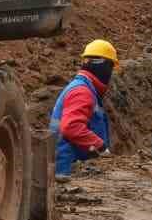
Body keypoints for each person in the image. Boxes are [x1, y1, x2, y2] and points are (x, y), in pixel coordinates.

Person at [49, 39, 117, 180]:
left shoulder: (86, 88)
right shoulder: (82, 91)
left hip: (70, 167)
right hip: (67, 171)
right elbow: (71, 127)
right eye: (111, 67)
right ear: (104, 66)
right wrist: (101, 147)